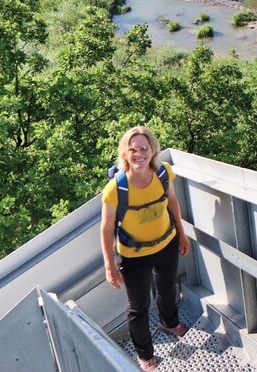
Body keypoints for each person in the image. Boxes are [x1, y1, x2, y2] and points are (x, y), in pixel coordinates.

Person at [100, 126, 191, 371]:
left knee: (167, 288)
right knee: (138, 307)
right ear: (125, 154)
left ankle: (169, 323)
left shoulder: (163, 173)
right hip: (134, 256)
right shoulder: (116, 188)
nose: (139, 154)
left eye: (143, 148)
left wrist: (182, 234)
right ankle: (145, 354)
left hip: (166, 243)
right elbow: (106, 229)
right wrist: (110, 266)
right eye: (133, 150)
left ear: (152, 150)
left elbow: (172, 202)